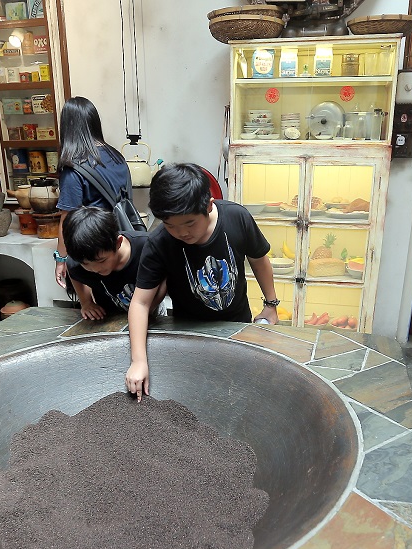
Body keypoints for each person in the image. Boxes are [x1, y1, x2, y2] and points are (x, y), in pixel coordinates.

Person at [125, 163, 280, 401]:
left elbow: (258, 259)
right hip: (188, 331)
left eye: (189, 223)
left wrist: (271, 304)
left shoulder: (236, 218)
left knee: (239, 393)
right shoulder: (159, 242)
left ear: (208, 205)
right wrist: (138, 361)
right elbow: (140, 303)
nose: (181, 233)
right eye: (170, 225)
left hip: (236, 324)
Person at [53, 96, 132, 289]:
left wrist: (61, 259)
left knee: (96, 310)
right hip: (120, 246)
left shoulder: (74, 169)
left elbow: (67, 220)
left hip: (93, 252)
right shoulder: (116, 156)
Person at [63, 206, 166, 320]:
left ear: (118, 243)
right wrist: (86, 302)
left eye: (102, 260)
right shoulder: (81, 257)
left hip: (151, 312)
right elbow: (72, 268)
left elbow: (164, 279)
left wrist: (146, 309)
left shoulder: (147, 248)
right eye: (86, 264)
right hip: (110, 316)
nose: (95, 269)